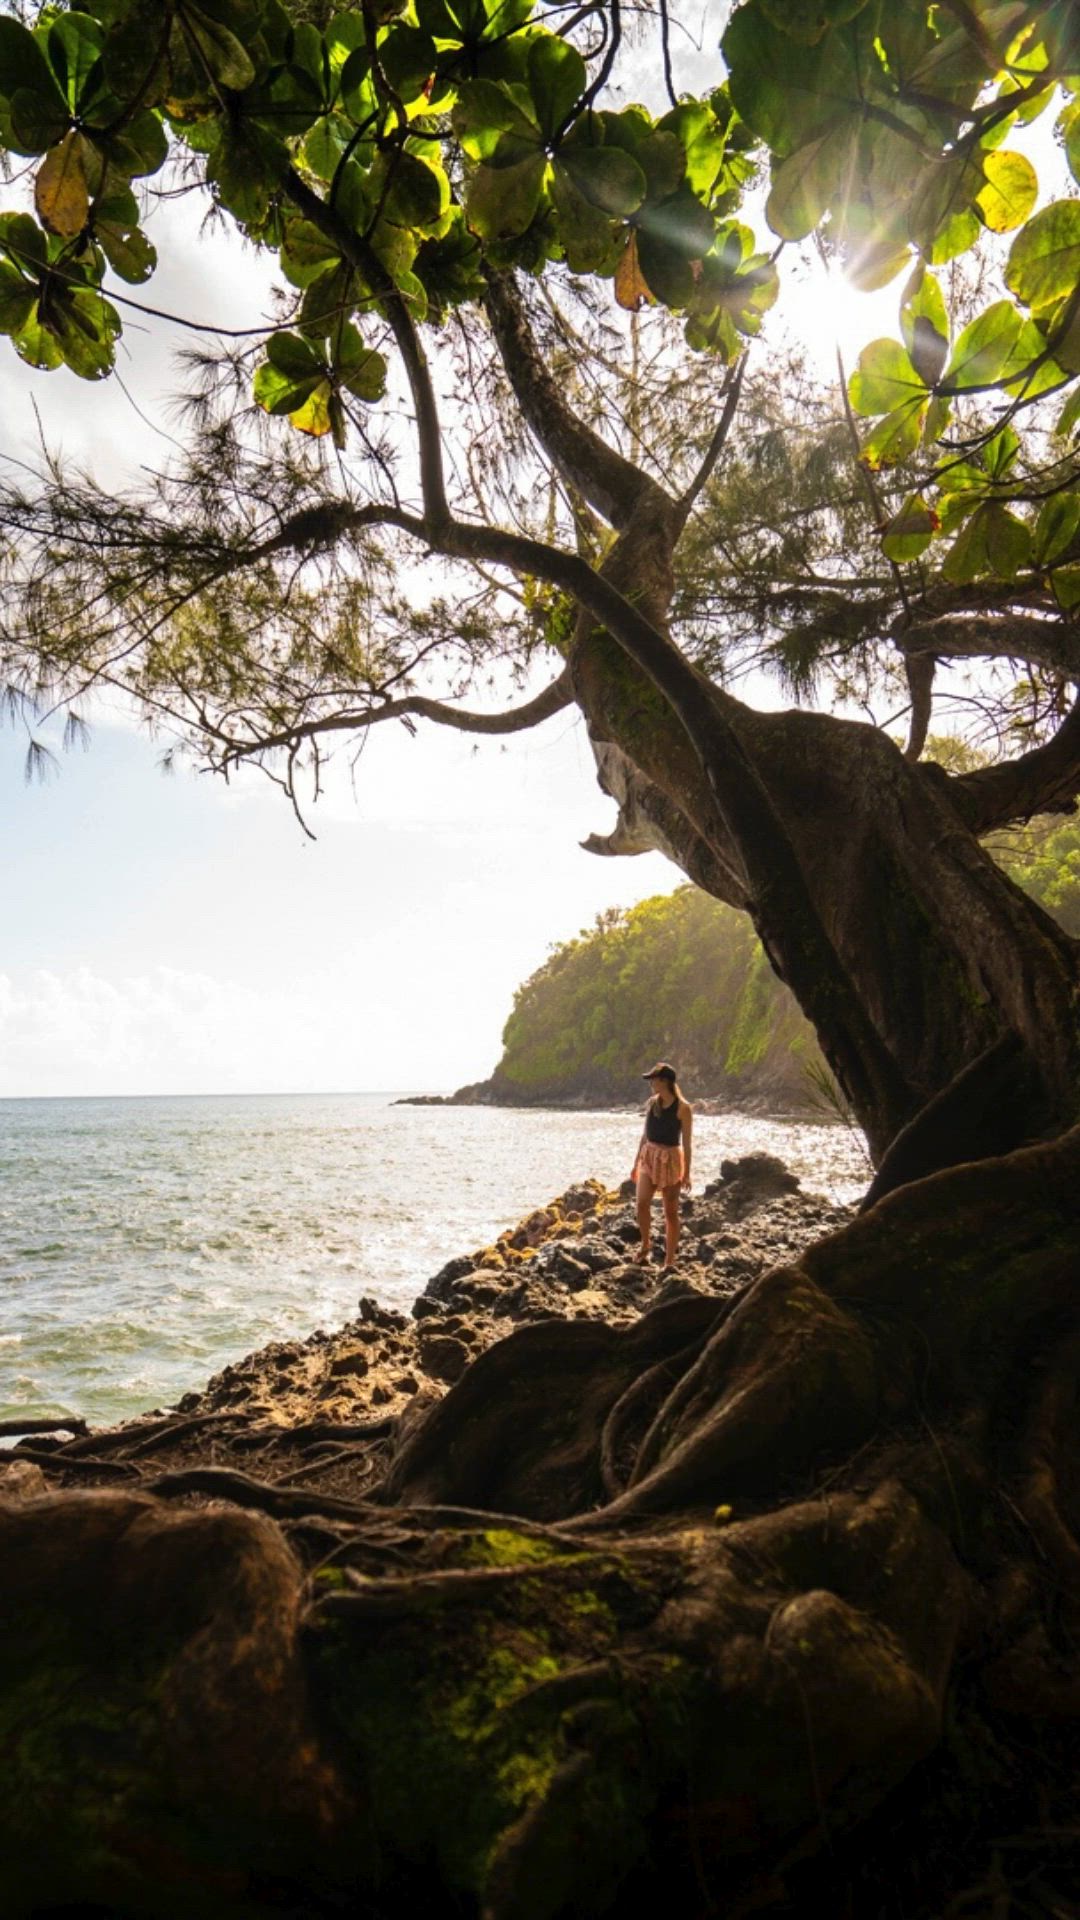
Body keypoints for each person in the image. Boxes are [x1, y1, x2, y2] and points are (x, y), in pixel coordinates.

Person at [631, 1062, 692, 1270]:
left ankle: (669, 1260)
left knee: (670, 1212)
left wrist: (687, 1174)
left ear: (664, 1081)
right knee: (641, 1203)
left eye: (653, 1079)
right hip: (649, 1156)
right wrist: (635, 1163)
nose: (650, 1083)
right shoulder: (652, 1103)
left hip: (671, 1160)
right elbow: (645, 1135)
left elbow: (687, 1144)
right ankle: (645, 1245)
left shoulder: (683, 1108)